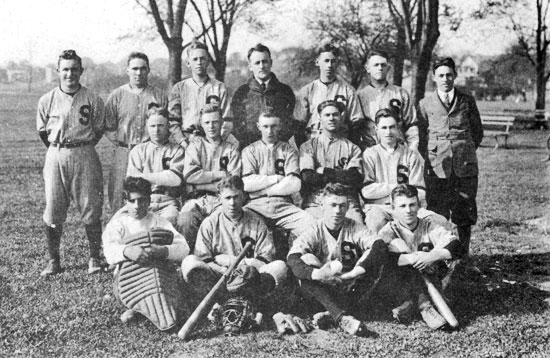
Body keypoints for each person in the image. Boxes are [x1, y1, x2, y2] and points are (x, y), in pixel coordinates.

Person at [287, 183, 390, 336]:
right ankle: (341, 317)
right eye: (333, 205)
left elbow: (379, 246)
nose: (337, 211)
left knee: (375, 257)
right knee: (306, 259)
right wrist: (318, 274)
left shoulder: (354, 226)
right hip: (322, 290)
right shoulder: (314, 229)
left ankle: (330, 315)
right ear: (322, 206)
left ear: (348, 206)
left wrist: (354, 273)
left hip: (350, 287)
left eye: (342, 206)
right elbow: (292, 258)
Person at [36, 50, 105, 276]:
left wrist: (80, 146)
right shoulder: (47, 100)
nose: (70, 74)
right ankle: (53, 260)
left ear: (81, 71)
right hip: (56, 153)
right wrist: (59, 149)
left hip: (84, 152)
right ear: (58, 72)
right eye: (65, 69)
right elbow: (43, 131)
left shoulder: (92, 98)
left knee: (90, 205)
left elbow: (98, 130)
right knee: (54, 207)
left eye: (74, 69)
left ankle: (95, 258)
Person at [180, 176, 287, 321]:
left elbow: (265, 260)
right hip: (219, 276)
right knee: (189, 262)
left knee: (280, 267)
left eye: (236, 197)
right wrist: (226, 270)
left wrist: (233, 262)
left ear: (243, 196)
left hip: (249, 277)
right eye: (227, 198)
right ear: (220, 198)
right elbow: (204, 259)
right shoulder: (210, 223)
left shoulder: (256, 222)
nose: (232, 203)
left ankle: (228, 305)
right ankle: (230, 303)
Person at [102, 177, 189, 330]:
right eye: (132, 201)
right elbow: (109, 251)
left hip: (160, 275)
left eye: (141, 200)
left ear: (149, 201)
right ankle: (138, 308)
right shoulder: (118, 224)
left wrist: (163, 250)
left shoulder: (159, 222)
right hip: (129, 279)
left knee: (164, 285)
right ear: (125, 201)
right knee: (133, 282)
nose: (137, 206)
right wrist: (127, 251)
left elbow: (183, 248)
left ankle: (153, 310)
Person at [418, 57, 483, 255]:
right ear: (434, 78)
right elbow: (421, 136)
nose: (445, 79)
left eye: (449, 75)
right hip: (437, 166)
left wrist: (463, 150)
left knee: (465, 211)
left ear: (455, 76)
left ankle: (463, 255)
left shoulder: (467, 101)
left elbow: (477, 132)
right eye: (441, 75)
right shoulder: (424, 103)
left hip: (464, 166)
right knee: (438, 212)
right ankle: (441, 255)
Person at [378, 184, 464, 330]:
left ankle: (410, 307)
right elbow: (380, 259)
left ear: (419, 205)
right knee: (399, 255)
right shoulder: (389, 230)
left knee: (450, 265)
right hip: (401, 284)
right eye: (402, 206)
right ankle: (425, 306)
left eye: (412, 205)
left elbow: (456, 246)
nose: (408, 210)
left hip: (430, 278)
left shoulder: (430, 226)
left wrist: (429, 256)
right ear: (393, 209)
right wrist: (411, 259)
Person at [361, 108, 449, 233]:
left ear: (398, 128)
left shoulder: (410, 155)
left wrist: (393, 198)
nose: (388, 132)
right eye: (384, 128)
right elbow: (367, 192)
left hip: (408, 207)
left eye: (392, 127)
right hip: (379, 207)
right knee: (375, 221)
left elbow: (421, 192)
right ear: (376, 130)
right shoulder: (369, 154)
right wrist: (398, 189)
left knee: (440, 221)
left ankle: (422, 250)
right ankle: (382, 252)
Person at [105, 52, 168, 212]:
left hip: (151, 151)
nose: (138, 73)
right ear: (127, 71)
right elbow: (109, 126)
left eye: (142, 69)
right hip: (125, 151)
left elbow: (166, 125)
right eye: (134, 69)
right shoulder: (117, 95)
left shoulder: (159, 95)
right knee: (120, 195)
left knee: (151, 195)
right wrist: (124, 144)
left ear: (148, 70)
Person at [241, 109, 315, 246]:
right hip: (255, 206)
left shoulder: (288, 150)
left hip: (284, 206)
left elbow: (294, 183)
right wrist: (276, 178)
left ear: (279, 126)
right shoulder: (249, 150)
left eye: (273, 126)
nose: (269, 131)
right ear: (258, 127)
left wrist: (264, 190)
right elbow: (247, 183)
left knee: (310, 224)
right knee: (244, 229)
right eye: (265, 126)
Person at [177, 104, 241, 251]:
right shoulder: (195, 147)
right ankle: (188, 258)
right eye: (207, 123)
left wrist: (199, 183)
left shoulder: (231, 149)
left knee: (224, 220)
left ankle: (217, 259)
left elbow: (233, 183)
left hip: (222, 199)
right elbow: (190, 175)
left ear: (222, 123)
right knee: (185, 218)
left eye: (215, 122)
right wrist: (219, 175)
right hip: (197, 199)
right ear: (202, 124)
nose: (211, 126)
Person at [299, 100, 364, 224]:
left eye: (335, 114)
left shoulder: (352, 148)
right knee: (308, 230)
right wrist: (340, 174)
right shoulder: (308, 146)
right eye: (327, 115)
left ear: (341, 117)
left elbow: (353, 177)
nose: (331, 118)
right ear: (319, 118)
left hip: (346, 201)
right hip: (316, 200)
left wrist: (323, 171)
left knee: (357, 228)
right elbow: (308, 177)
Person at [230, 43, 299, 149]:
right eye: (257, 63)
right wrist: (251, 144)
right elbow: (236, 125)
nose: (261, 66)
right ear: (250, 67)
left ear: (271, 63)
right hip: (250, 149)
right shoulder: (242, 92)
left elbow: (291, 121)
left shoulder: (285, 90)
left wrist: (277, 141)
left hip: (279, 148)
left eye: (265, 61)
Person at [126, 106, 185, 226]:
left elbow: (175, 179)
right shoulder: (138, 151)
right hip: (142, 201)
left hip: (168, 202)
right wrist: (163, 177)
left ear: (168, 126)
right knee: (125, 225)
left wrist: (142, 177)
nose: (156, 130)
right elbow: (132, 182)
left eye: (160, 125)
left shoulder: (177, 150)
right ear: (146, 128)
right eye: (152, 126)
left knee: (169, 225)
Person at [169, 41, 234, 148]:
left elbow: (227, 120)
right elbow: (173, 121)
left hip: (214, 141)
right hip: (187, 140)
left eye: (202, 58)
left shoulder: (219, 87)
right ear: (188, 63)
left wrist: (216, 143)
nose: (199, 62)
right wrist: (183, 143)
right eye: (195, 59)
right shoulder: (179, 88)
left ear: (208, 61)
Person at [295, 44, 363, 144]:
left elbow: (356, 123)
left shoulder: (348, 90)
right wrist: (303, 149)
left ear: (337, 63)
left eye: (333, 61)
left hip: (340, 143)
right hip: (313, 143)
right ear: (317, 62)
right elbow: (298, 124)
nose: (330, 65)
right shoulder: (307, 90)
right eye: (326, 61)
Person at [357, 50, 419, 151]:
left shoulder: (401, 93)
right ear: (367, 68)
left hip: (398, 149)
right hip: (370, 150)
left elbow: (411, 124)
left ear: (388, 68)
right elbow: (356, 127)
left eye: (383, 65)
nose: (380, 68)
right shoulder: (360, 95)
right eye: (376, 65)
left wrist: (413, 148)